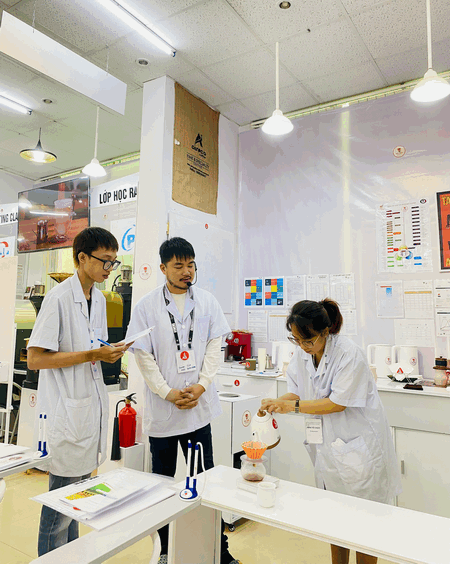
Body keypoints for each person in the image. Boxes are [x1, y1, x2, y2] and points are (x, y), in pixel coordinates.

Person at [261, 298, 402, 564]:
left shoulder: (349, 354)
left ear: (325, 332)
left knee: (365, 525)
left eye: (307, 340)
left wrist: (291, 406)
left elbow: (337, 403)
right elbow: (297, 391)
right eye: (296, 340)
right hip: (327, 448)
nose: (302, 346)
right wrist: (277, 402)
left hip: (358, 449)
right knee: (334, 520)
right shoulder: (303, 353)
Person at [127, 237, 241, 564]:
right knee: (162, 486)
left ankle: (219, 550)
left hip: (197, 413)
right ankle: (164, 550)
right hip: (164, 412)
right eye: (179, 266)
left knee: (205, 482)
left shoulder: (207, 302)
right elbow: (143, 356)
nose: (186, 271)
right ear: (163, 268)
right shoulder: (147, 306)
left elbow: (215, 346)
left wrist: (202, 385)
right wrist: (167, 392)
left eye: (191, 265)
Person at [27, 227, 126, 555]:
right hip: (66, 415)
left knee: (77, 506)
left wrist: (107, 352)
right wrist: (91, 354)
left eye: (113, 262)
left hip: (86, 411)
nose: (109, 269)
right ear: (82, 258)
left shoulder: (99, 300)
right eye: (105, 261)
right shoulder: (58, 299)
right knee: (58, 512)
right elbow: (36, 359)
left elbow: (92, 347)